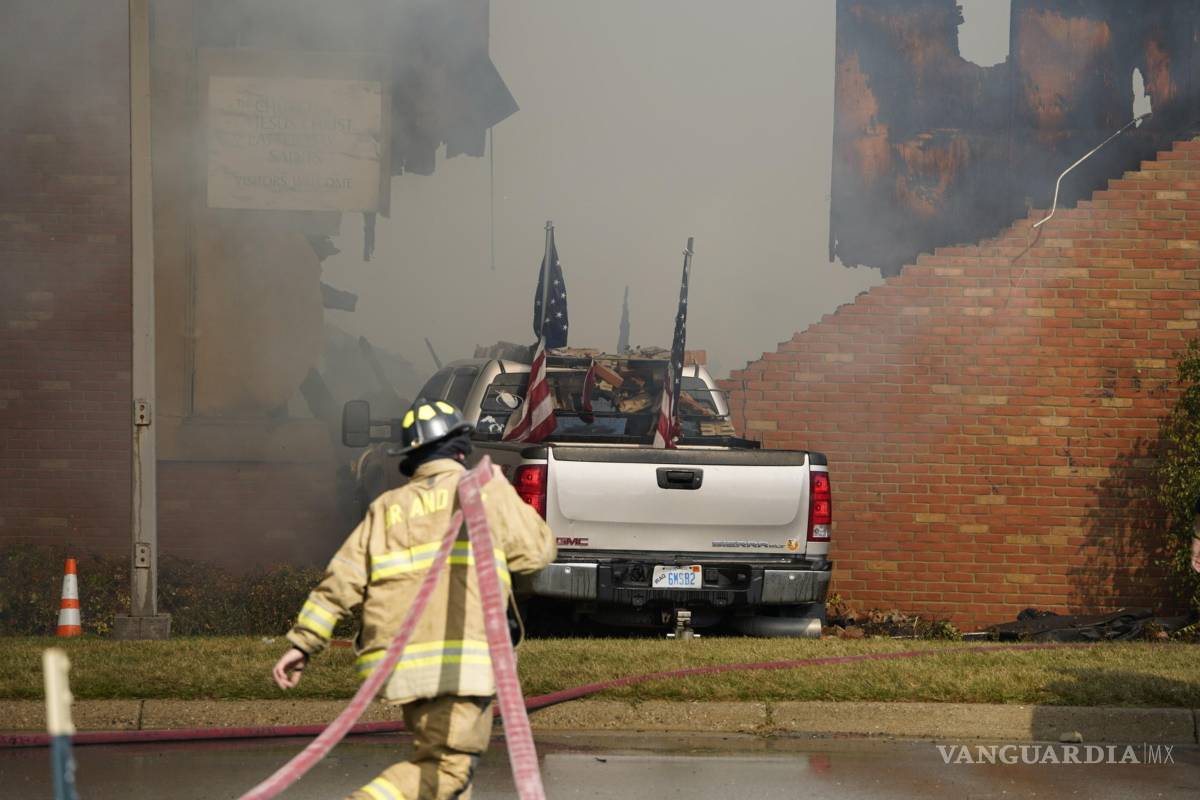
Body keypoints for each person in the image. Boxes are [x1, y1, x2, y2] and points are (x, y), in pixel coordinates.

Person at [272, 398, 556, 800]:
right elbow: (536, 554)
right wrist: (503, 496)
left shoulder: (387, 508)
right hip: (461, 663)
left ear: (411, 457)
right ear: (462, 448)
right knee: (448, 768)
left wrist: (302, 644)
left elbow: (341, 579)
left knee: (447, 774)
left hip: (402, 665)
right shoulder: (483, 493)